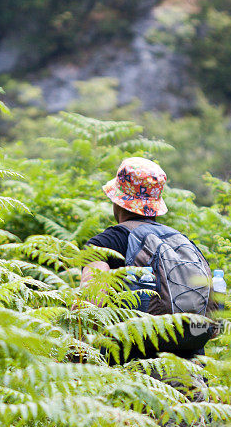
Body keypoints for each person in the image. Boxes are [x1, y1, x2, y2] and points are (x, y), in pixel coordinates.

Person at [80, 156, 214, 364]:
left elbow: (89, 307)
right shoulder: (182, 242)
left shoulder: (106, 242)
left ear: (117, 200)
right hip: (191, 374)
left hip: (132, 372)